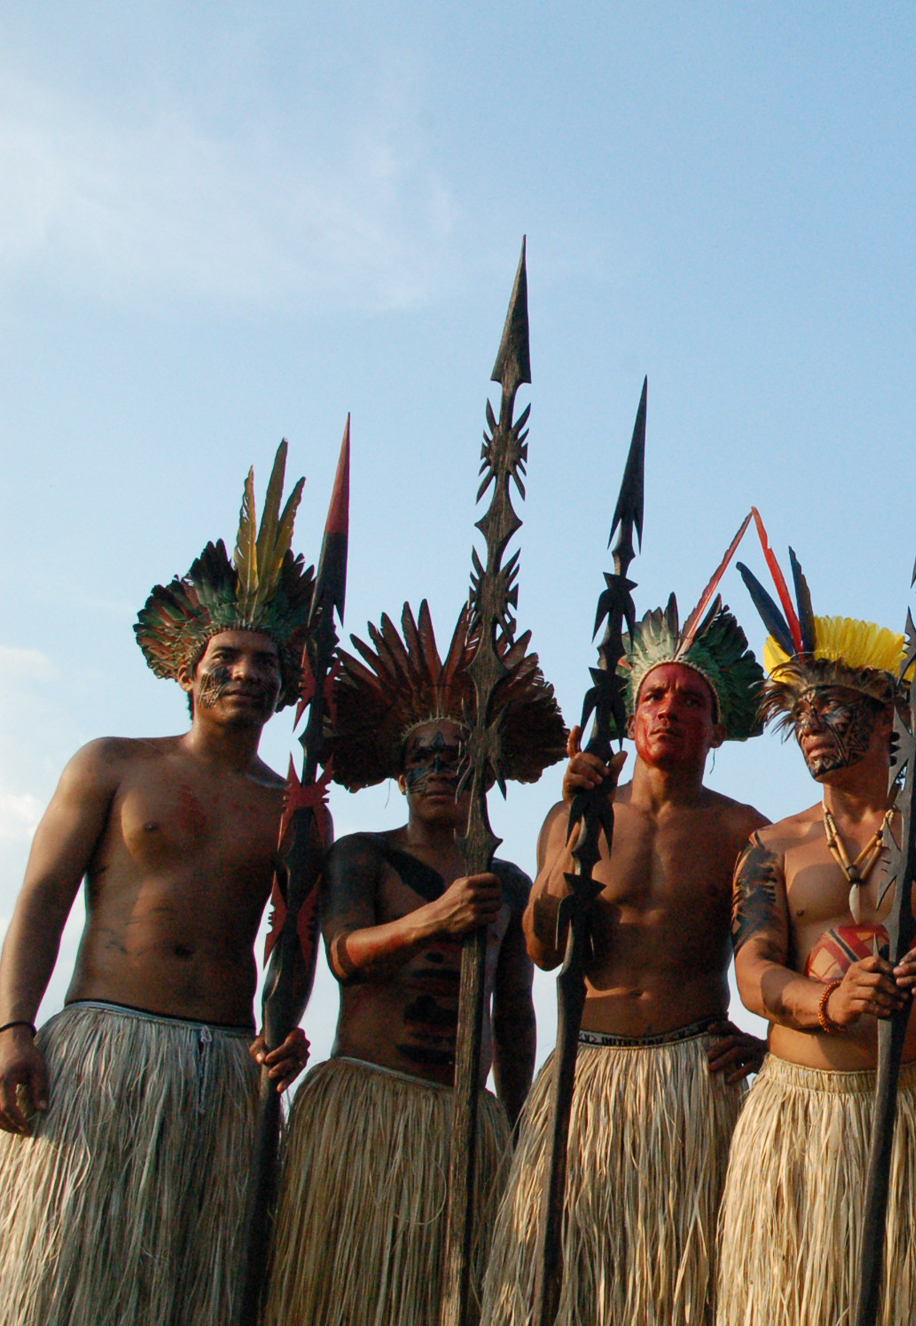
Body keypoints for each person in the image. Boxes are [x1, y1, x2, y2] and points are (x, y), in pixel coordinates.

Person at [0, 447, 316, 1326]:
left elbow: (295, 947)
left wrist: (282, 1039)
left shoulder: (294, 812)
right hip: (105, 1048)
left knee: (192, 1290)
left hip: (221, 1065)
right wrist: (12, 1027)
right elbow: (40, 900)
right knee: (61, 1280)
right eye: (229, 655)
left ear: (286, 687)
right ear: (188, 668)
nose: (248, 673)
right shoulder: (111, 765)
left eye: (266, 662)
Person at [261, 601, 563, 1325]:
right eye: (423, 757)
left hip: (463, 1121)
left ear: (484, 774)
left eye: (457, 757)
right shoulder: (361, 855)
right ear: (399, 774)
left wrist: (520, 1125)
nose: (439, 769)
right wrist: (435, 918)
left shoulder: (512, 883)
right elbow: (344, 957)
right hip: (366, 1108)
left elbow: (514, 1013)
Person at [482, 595, 769, 1326]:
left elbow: (781, 960)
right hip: (589, 1078)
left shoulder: (745, 832)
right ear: (632, 718)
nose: (670, 709)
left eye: (691, 700)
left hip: (690, 1082)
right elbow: (544, 948)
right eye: (654, 696)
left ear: (718, 725)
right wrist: (573, 831)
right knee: (561, 1284)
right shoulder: (573, 814)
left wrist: (769, 1046)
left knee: (680, 1289)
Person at [715, 559, 916, 1326]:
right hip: (801, 1119)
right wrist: (827, 1001)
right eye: (800, 711)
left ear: (890, 716)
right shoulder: (773, 846)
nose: (811, 724)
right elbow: (753, 970)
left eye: (831, 708)